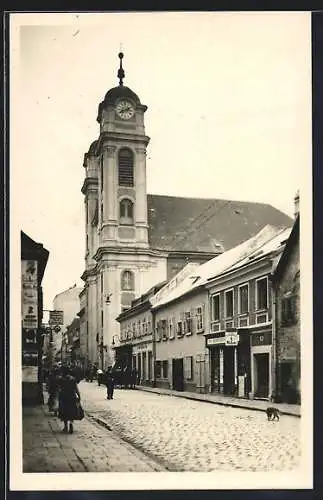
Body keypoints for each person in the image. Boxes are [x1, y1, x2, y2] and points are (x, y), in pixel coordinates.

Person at [58, 366, 81, 434]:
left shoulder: (62, 379)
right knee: (71, 411)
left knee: (64, 411)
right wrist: (79, 396)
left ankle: (65, 427)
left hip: (64, 397)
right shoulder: (73, 379)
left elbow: (60, 389)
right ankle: (71, 423)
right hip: (72, 396)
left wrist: (59, 397)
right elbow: (76, 389)